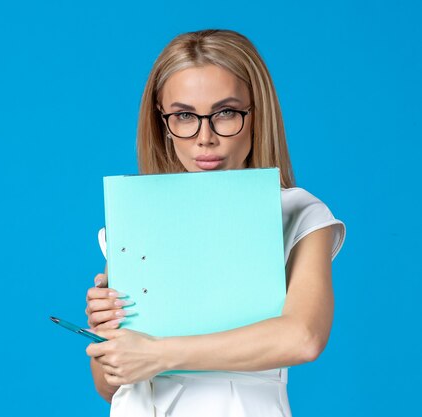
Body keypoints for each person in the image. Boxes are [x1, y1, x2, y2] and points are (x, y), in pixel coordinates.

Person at [84, 29, 345, 417]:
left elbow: (303, 337)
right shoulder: (136, 216)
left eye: (226, 113)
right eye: (185, 115)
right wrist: (106, 334)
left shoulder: (296, 211)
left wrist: (158, 354)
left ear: (258, 114)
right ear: (162, 120)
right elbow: (108, 386)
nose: (205, 138)